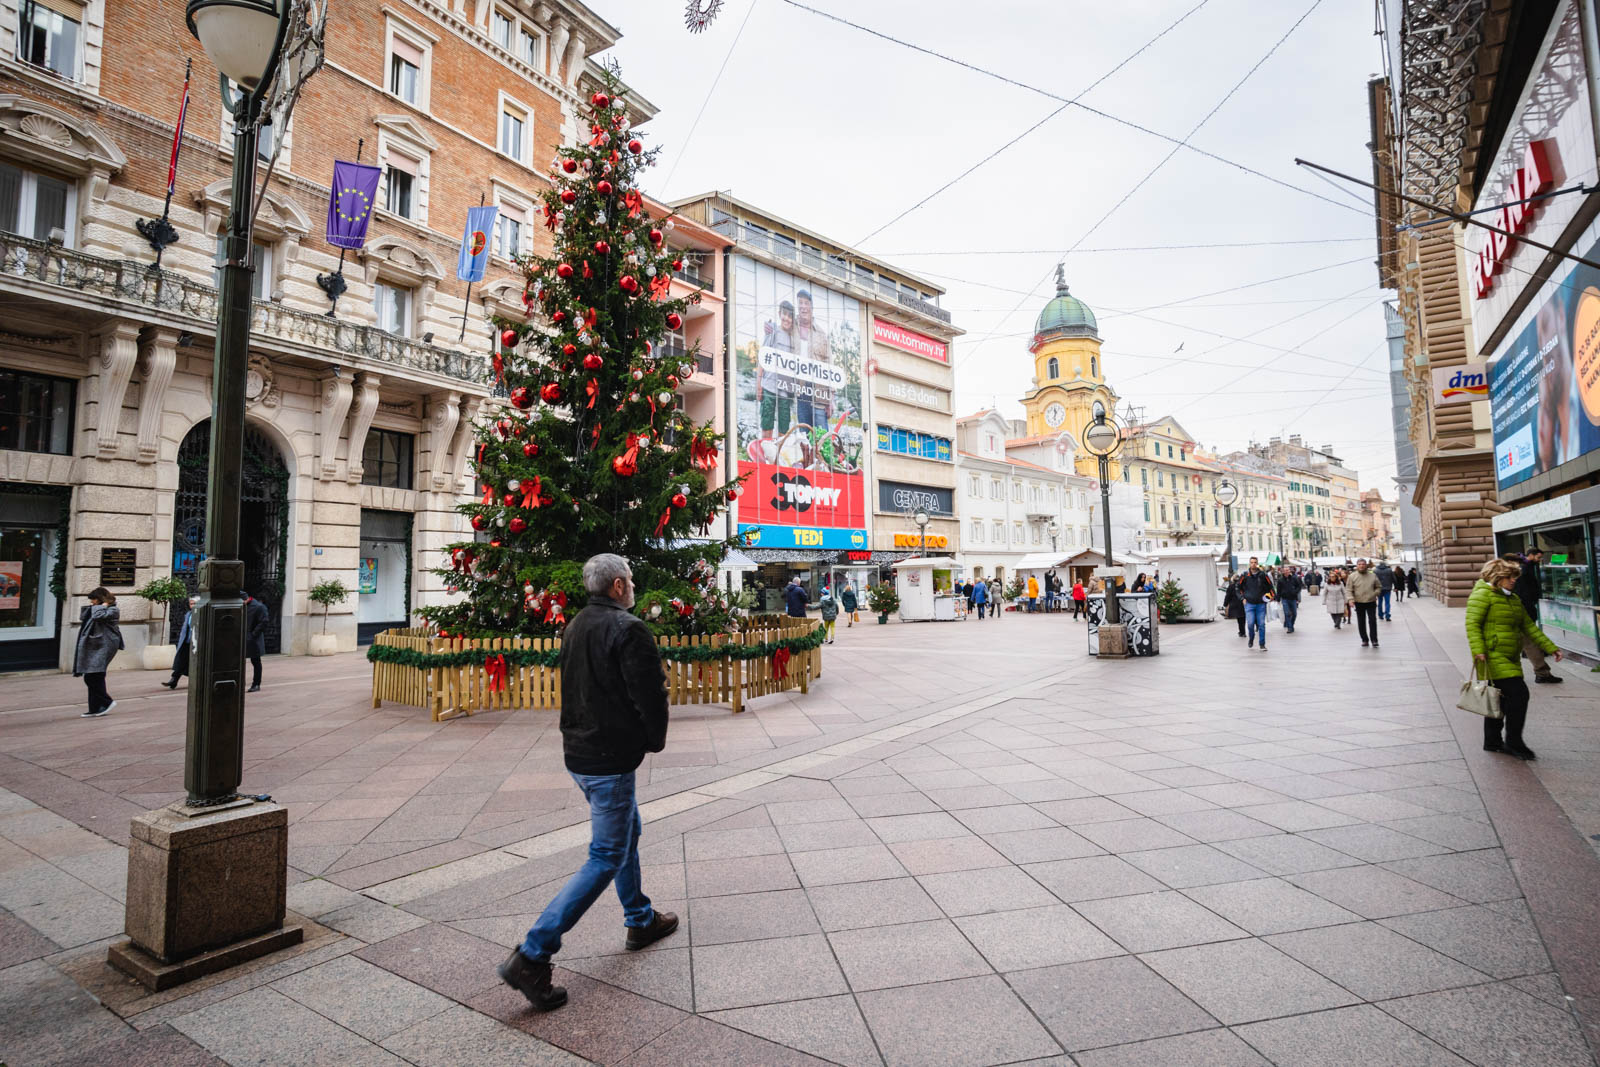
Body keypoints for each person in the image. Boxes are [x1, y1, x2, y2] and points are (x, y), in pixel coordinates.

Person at [499, 554, 677, 1011]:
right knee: (605, 856)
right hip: (608, 759)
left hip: (579, 753)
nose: (633, 586)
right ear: (618, 586)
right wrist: (653, 740)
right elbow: (649, 692)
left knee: (626, 832)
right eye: (631, 581)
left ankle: (640, 918)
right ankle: (533, 954)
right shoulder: (629, 628)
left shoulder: (575, 623)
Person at [1466, 557, 1562, 760]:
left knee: (1499, 698)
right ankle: (1514, 742)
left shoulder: (1513, 598)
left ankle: (1492, 741)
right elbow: (1472, 624)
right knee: (1519, 694)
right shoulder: (1483, 595)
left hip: (1510, 655)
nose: (1513, 581)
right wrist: (1479, 651)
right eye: (1509, 577)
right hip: (1492, 655)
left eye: (1514, 577)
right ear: (1497, 577)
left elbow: (1528, 627)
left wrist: (1551, 648)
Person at [1508, 550, 1562, 684]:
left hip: (1523, 610)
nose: (1513, 580)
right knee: (1526, 641)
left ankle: (1542, 673)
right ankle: (1541, 673)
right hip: (1522, 609)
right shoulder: (1524, 571)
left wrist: (1551, 648)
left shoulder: (1513, 592)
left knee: (1529, 640)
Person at [73, 587, 124, 718]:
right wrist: (96, 606)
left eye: (94, 599)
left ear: (101, 599)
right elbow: (84, 615)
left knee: (93, 676)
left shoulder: (113, 610)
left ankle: (107, 702)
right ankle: (95, 708)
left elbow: (97, 616)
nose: (92, 602)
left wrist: (104, 605)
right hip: (95, 645)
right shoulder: (98, 608)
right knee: (94, 675)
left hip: (104, 646)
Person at [1237, 557, 1275, 651]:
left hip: (1261, 604)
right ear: (1249, 563)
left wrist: (1271, 597)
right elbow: (1237, 587)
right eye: (1251, 562)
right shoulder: (1245, 575)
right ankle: (1251, 638)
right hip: (1249, 604)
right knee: (1250, 624)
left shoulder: (1263, 575)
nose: (1253, 564)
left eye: (1255, 562)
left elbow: (1270, 587)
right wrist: (1242, 598)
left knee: (1261, 624)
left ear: (1257, 563)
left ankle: (1262, 644)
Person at [162, 595, 198, 689]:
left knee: (194, 663)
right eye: (191, 603)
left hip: (196, 643)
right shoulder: (188, 614)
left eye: (194, 603)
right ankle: (173, 680)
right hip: (186, 642)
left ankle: (196, 680)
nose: (192, 605)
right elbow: (184, 628)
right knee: (180, 660)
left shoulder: (201, 614)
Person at [1347, 559, 1382, 648]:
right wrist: (1351, 600)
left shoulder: (1372, 575)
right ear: (1357, 565)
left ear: (1366, 565)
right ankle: (1364, 640)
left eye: (1363, 564)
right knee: (1361, 622)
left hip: (1371, 601)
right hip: (1359, 602)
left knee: (1372, 621)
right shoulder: (1352, 576)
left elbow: (1378, 587)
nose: (1361, 566)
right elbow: (1349, 590)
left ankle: (1374, 640)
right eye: (1359, 564)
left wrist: (1375, 594)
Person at [244, 592, 268, 693]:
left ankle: (256, 684)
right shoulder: (241, 606)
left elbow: (264, 621)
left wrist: (253, 634)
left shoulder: (258, 607)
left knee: (256, 661)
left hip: (254, 639)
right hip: (242, 638)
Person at [1274, 564, 1303, 633]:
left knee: (1294, 614)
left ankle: (1291, 624)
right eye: (1285, 570)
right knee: (1287, 613)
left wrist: (1295, 592)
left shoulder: (1294, 578)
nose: (1286, 572)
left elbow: (1299, 586)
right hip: (1285, 599)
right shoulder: (1280, 580)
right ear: (1283, 572)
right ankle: (1289, 627)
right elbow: (1278, 590)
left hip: (1293, 598)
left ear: (1289, 571)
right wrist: (1278, 599)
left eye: (1287, 570)